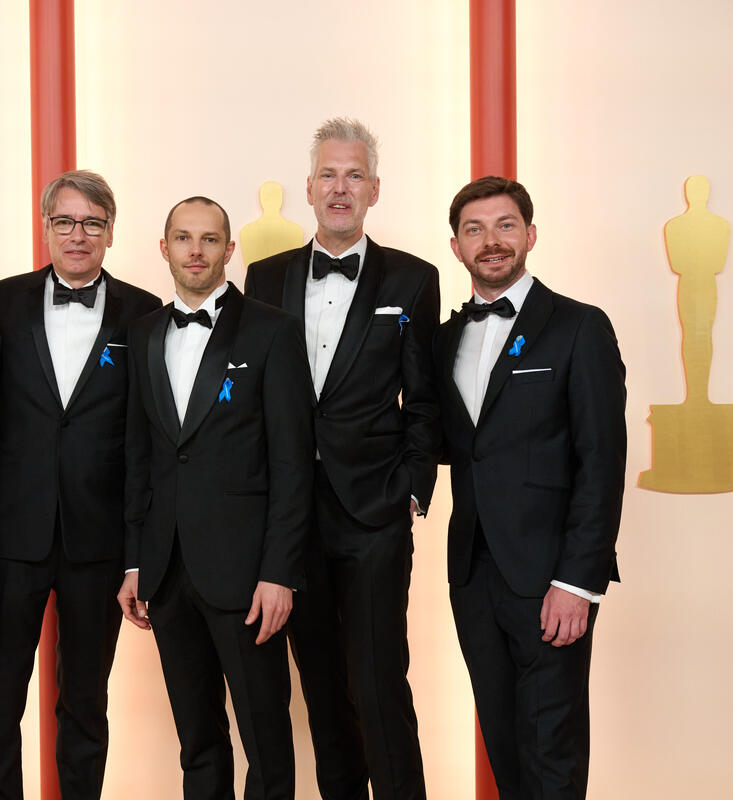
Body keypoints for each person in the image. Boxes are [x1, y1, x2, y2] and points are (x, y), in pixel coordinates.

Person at [245, 118, 440, 799]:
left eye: (353, 174)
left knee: (379, 684)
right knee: (322, 689)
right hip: (288, 518)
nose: (340, 187)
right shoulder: (263, 278)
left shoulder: (415, 279)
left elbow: (424, 397)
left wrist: (414, 485)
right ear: (308, 188)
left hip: (374, 513)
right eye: (328, 174)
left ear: (375, 190)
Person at [434, 176, 626, 798]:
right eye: (475, 229)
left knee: (553, 751)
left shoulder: (579, 328)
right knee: (506, 750)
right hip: (473, 576)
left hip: (551, 580)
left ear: (531, 235)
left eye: (506, 226)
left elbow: (602, 464)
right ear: (458, 247)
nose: (492, 241)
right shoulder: (444, 339)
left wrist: (578, 581)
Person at [0, 170, 161, 800]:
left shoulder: (143, 312)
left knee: (86, 699)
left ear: (110, 232)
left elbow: (146, 439)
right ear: (46, 227)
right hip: (11, 533)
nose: (78, 235)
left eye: (92, 223)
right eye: (65, 221)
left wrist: (140, 554)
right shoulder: (4, 300)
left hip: (98, 539)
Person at [118, 197, 314, 799]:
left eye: (209, 240)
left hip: (248, 576)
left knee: (266, 742)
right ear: (164, 248)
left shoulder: (272, 329)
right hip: (167, 572)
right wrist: (134, 561)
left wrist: (279, 572)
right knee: (196, 741)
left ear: (229, 251)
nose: (195, 251)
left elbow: (292, 462)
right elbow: (142, 457)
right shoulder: (145, 332)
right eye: (183, 238)